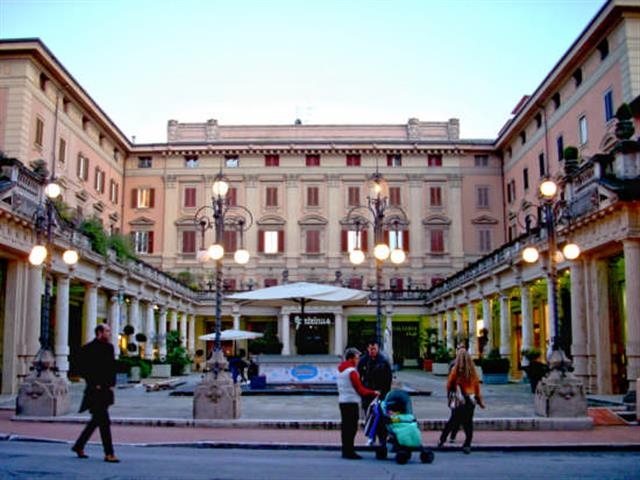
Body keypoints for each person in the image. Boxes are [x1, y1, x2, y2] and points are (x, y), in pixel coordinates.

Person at [71, 324, 120, 463]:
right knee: (104, 422)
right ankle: (109, 453)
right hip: (95, 391)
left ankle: (78, 446)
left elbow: (112, 367)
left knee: (96, 421)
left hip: (106, 390)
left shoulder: (109, 348)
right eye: (107, 331)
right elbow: (81, 368)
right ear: (99, 332)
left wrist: (112, 384)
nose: (109, 333)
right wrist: (94, 382)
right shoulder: (88, 349)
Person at [438, 346, 485, 454]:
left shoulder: (455, 370)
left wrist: (449, 396)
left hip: (459, 399)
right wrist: (480, 401)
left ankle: (442, 440)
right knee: (468, 423)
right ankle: (467, 444)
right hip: (471, 399)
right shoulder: (473, 371)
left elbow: (449, 384)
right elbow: (477, 387)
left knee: (452, 421)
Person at [338, 347, 379, 460]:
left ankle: (345, 449)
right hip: (351, 402)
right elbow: (360, 389)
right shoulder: (352, 372)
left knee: (345, 427)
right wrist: (373, 393)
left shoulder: (341, 370)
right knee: (351, 428)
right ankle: (350, 451)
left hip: (342, 400)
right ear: (351, 359)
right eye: (357, 358)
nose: (358, 360)